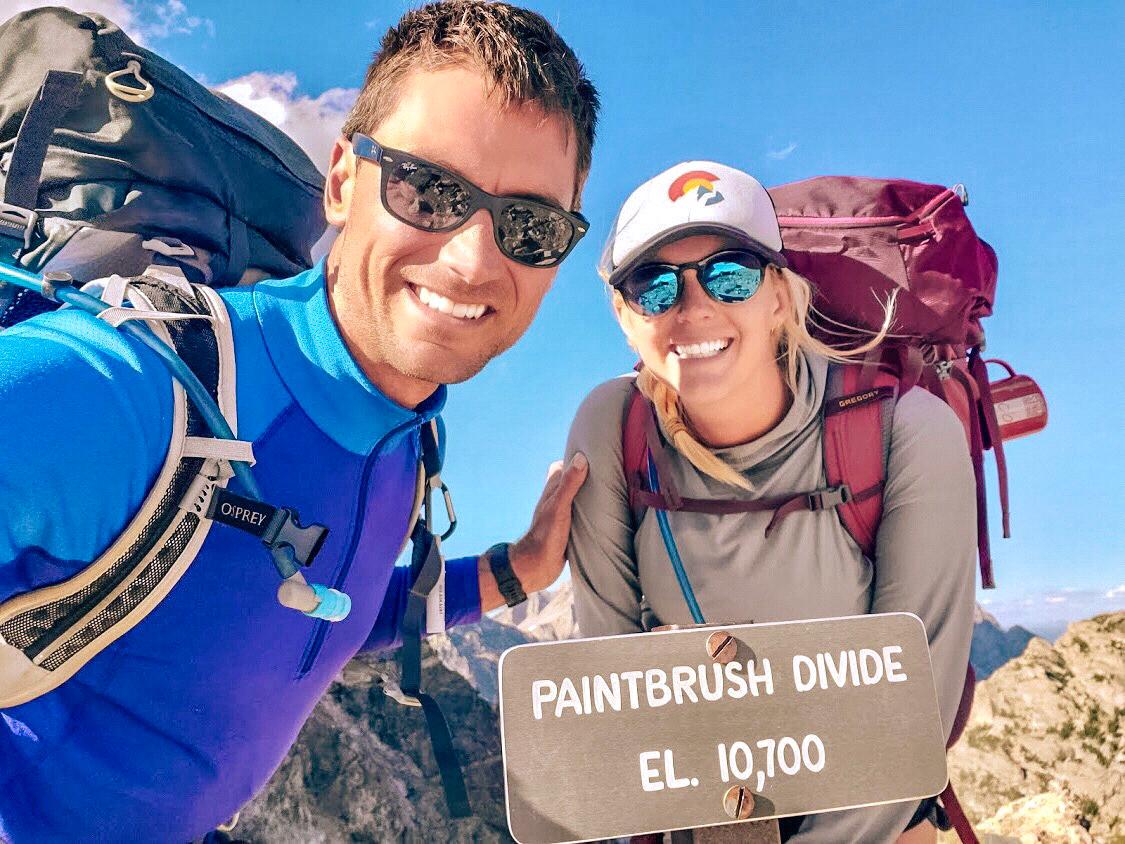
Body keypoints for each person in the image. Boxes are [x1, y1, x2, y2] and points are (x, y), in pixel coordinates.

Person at [0, 2, 596, 840]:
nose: (470, 260)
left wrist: (517, 571)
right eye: (429, 190)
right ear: (344, 180)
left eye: (529, 226)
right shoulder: (129, 387)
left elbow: (323, 616)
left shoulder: (409, 439)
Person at [565, 161, 976, 843]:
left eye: (730, 275)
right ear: (625, 318)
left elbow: (911, 712)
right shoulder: (612, 429)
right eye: (653, 285)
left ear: (779, 298)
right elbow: (609, 690)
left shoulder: (904, 430)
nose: (692, 308)